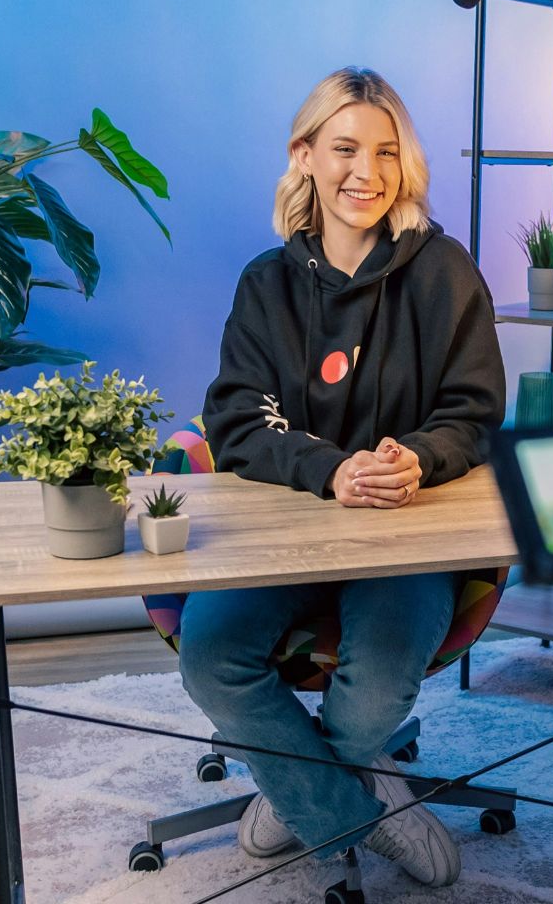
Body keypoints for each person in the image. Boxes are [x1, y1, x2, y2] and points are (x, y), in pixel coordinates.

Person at [180, 67, 505, 887]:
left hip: (405, 535)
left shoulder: (445, 272)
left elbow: (472, 413)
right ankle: (351, 808)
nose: (367, 172)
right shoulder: (266, 284)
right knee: (210, 655)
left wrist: (418, 456)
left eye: (386, 152)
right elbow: (237, 421)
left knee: (375, 690)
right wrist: (331, 471)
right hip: (282, 535)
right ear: (305, 155)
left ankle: (293, 791)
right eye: (346, 149)